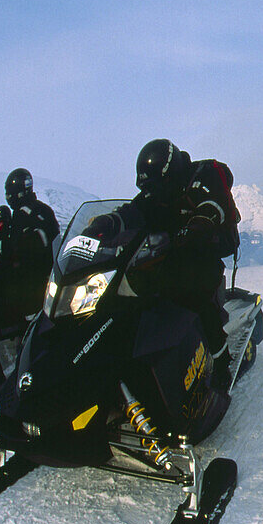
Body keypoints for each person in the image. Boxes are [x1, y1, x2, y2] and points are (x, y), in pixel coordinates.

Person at [86, 140, 240, 390]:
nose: (153, 191)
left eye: (156, 185)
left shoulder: (202, 179)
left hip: (204, 252)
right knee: (128, 292)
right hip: (172, 253)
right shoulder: (156, 192)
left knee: (195, 296)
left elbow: (214, 205)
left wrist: (199, 224)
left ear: (170, 174)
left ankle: (221, 361)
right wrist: (107, 222)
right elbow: (133, 211)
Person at [0, 169, 61, 318]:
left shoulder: (22, 214)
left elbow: (12, 248)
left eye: (10, 193)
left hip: (31, 281)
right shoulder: (43, 209)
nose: (8, 197)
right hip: (48, 275)